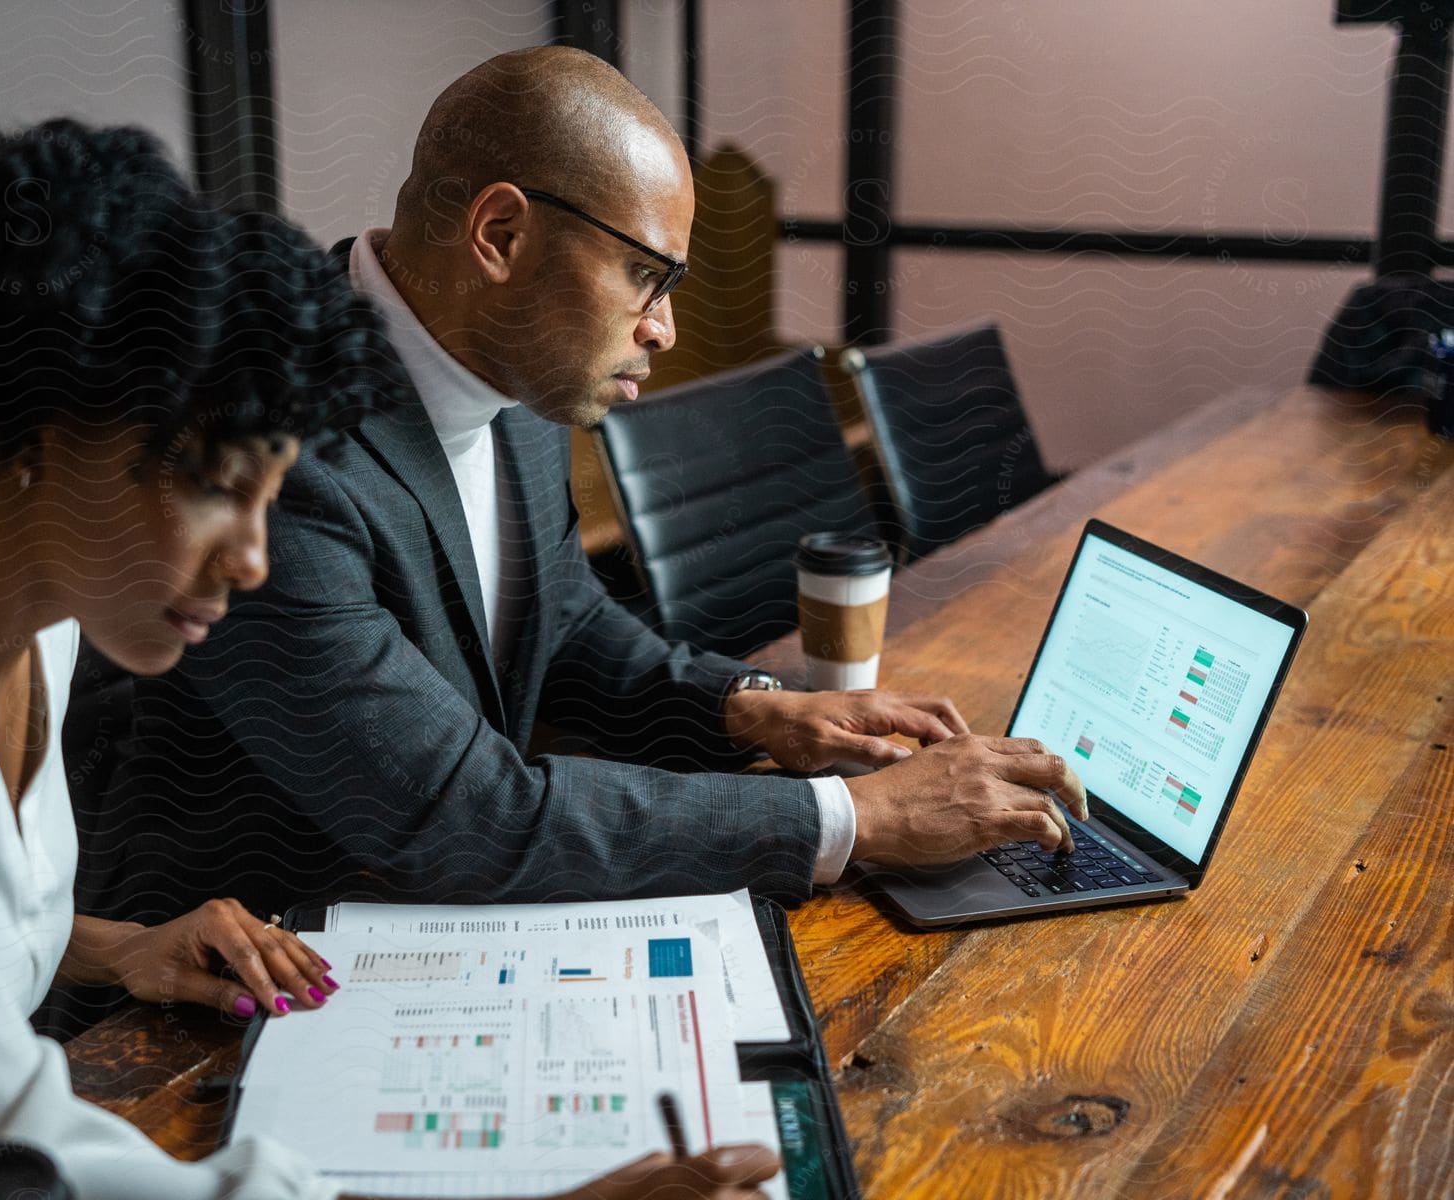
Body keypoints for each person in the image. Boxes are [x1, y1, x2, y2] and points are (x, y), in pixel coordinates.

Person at [0, 120, 774, 1200]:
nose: (251, 561)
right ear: (39, 441)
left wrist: (114, 951)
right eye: (218, 489)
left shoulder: (35, 616)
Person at [91, 45, 1087, 926]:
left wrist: (746, 706)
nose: (665, 329)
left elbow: (559, 622)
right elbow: (465, 818)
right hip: (237, 977)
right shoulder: (273, 443)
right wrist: (856, 816)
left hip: (442, 920)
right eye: (647, 276)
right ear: (503, 235)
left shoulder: (510, 368)